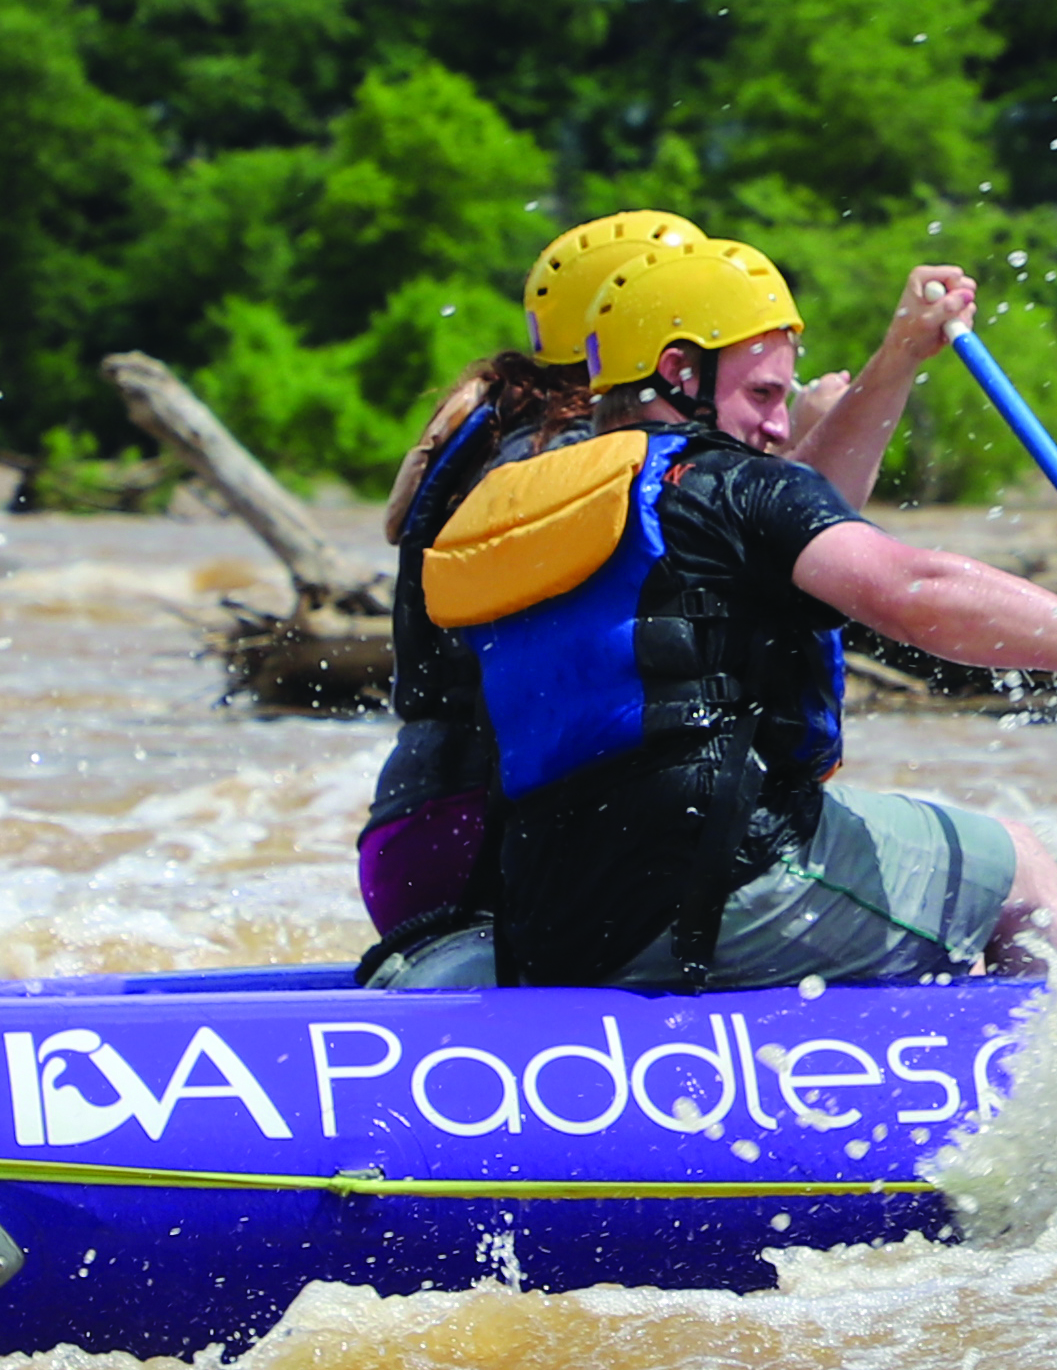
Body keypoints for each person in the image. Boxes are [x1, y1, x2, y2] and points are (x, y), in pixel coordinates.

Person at [401, 237, 1057, 990]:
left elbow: (771, 544)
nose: (778, 426)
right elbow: (914, 592)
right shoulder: (721, 483)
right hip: (723, 889)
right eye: (766, 395)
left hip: (555, 919)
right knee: (1018, 861)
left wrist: (899, 356)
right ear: (678, 372)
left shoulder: (527, 503)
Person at [361, 216, 986, 948]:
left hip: (419, 834)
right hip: (491, 842)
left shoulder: (522, 437)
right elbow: (762, 536)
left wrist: (880, 377)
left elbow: (764, 534)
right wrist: (824, 430)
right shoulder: (584, 457)